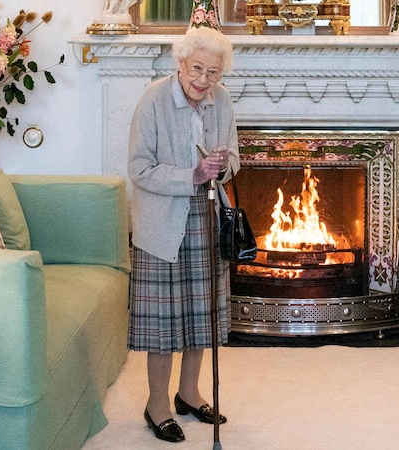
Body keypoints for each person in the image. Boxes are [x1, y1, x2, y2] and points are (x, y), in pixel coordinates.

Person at [126, 26, 238, 443]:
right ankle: (156, 404)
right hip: (161, 222)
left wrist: (222, 165)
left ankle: (188, 394)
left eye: (213, 72)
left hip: (207, 217)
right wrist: (191, 175)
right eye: (197, 69)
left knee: (200, 315)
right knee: (164, 324)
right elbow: (138, 168)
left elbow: (234, 158)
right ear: (180, 63)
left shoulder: (221, 100)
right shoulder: (154, 99)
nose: (204, 80)